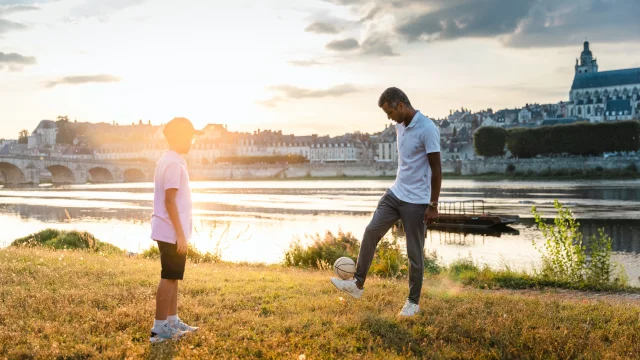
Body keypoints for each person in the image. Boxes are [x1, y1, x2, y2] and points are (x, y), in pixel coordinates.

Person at [330, 87, 442, 317]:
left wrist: (433, 204)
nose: (389, 117)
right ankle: (357, 284)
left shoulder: (428, 129)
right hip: (395, 194)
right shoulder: (400, 126)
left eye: (390, 112)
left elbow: (437, 168)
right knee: (371, 231)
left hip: (417, 201)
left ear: (401, 106)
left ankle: (413, 302)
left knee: (414, 253)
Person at [149, 117, 204, 343]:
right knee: (168, 277)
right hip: (171, 231)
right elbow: (170, 201)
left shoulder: (173, 160)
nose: (192, 141)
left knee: (174, 277)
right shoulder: (172, 163)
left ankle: (172, 320)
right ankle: (159, 328)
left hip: (171, 230)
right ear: (180, 137)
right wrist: (180, 234)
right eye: (190, 136)